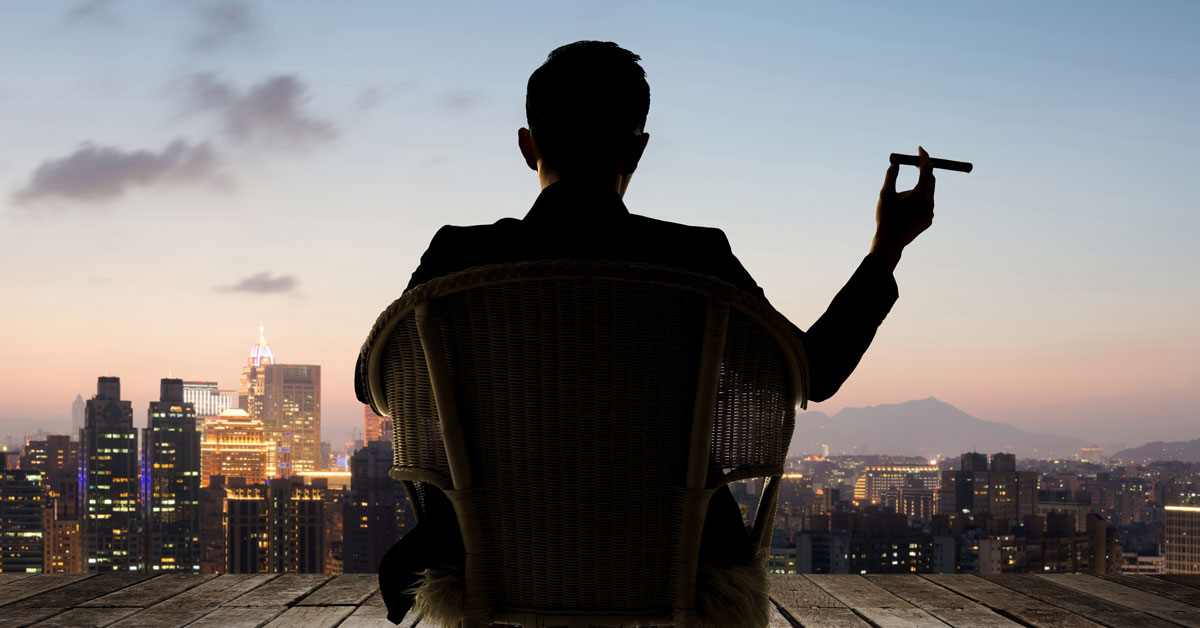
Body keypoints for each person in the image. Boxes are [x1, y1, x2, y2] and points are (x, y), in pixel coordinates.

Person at [361, 40, 936, 625]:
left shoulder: (457, 256)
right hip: (681, 562)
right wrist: (887, 246)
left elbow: (371, 381)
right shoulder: (697, 259)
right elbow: (816, 370)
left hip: (481, 558)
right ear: (637, 149)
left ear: (526, 145)